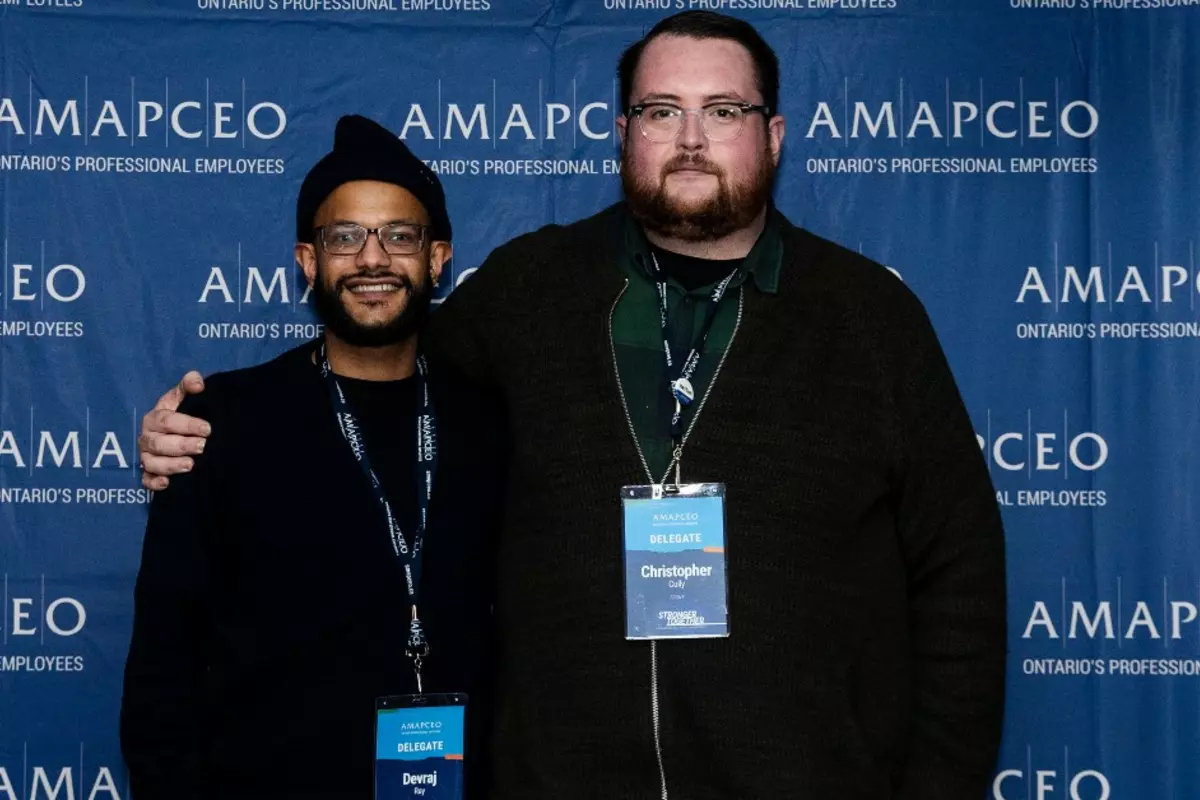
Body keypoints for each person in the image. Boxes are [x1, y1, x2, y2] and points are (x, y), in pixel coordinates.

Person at [136, 11, 1007, 799]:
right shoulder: (530, 288)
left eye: (724, 111)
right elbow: (377, 373)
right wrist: (203, 429)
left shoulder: (869, 317)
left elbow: (959, 576)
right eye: (662, 110)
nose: (692, 137)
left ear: (773, 135)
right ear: (623, 132)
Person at [121, 115, 504, 800]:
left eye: (400, 235)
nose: (373, 259)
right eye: (345, 237)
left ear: (438, 259)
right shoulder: (220, 423)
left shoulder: (490, 421)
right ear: (308, 261)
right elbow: (162, 664)